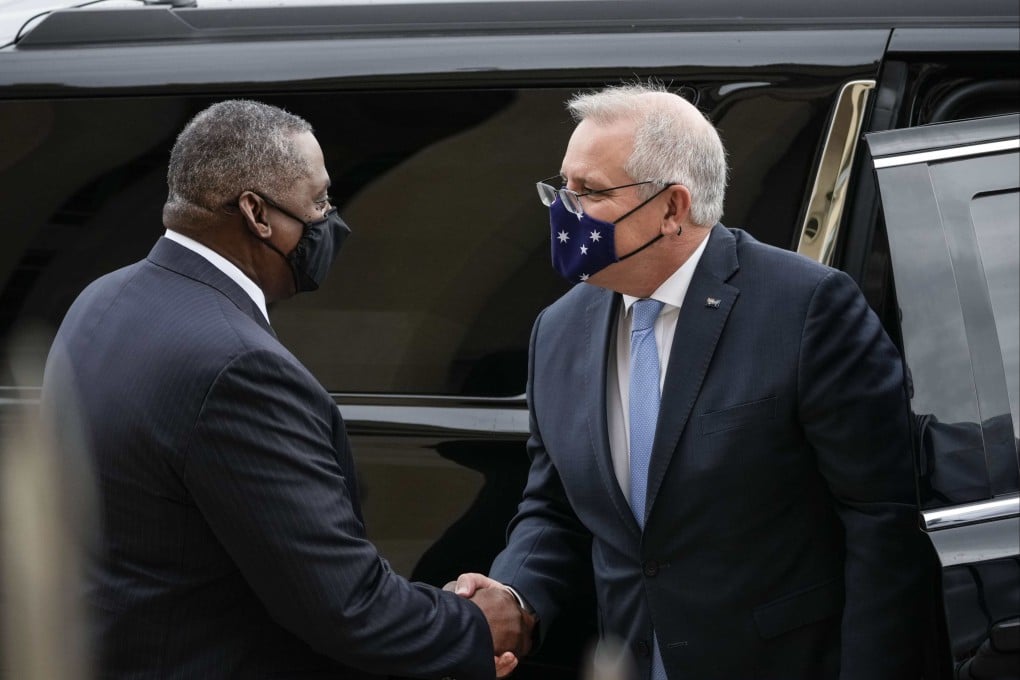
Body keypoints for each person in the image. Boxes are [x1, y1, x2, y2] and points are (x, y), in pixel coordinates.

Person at [40, 100, 531, 679]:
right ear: (256, 213)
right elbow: (346, 605)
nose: (331, 221)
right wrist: (481, 625)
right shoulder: (239, 366)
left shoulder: (102, 297)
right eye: (319, 201)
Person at [451, 83, 928, 679]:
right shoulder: (559, 329)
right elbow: (556, 509)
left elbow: (882, 520)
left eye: (590, 192)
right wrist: (513, 598)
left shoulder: (805, 308)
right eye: (561, 187)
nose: (564, 212)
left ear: (673, 208)